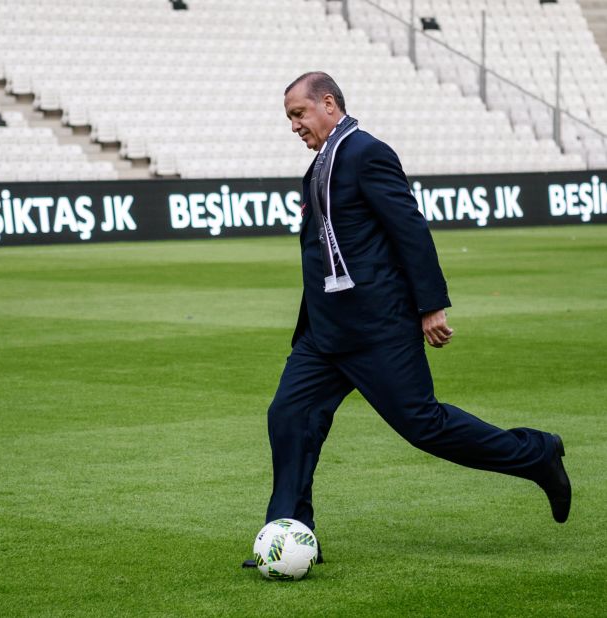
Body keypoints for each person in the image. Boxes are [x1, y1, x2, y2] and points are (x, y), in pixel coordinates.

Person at [243, 72, 571, 568]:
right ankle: (288, 531)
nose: (294, 125)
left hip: (378, 329)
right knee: (288, 416)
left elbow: (409, 228)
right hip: (324, 334)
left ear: (328, 104)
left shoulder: (366, 153)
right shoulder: (318, 167)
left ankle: (536, 454)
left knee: (426, 426)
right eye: (289, 117)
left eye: (298, 113)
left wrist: (430, 304)